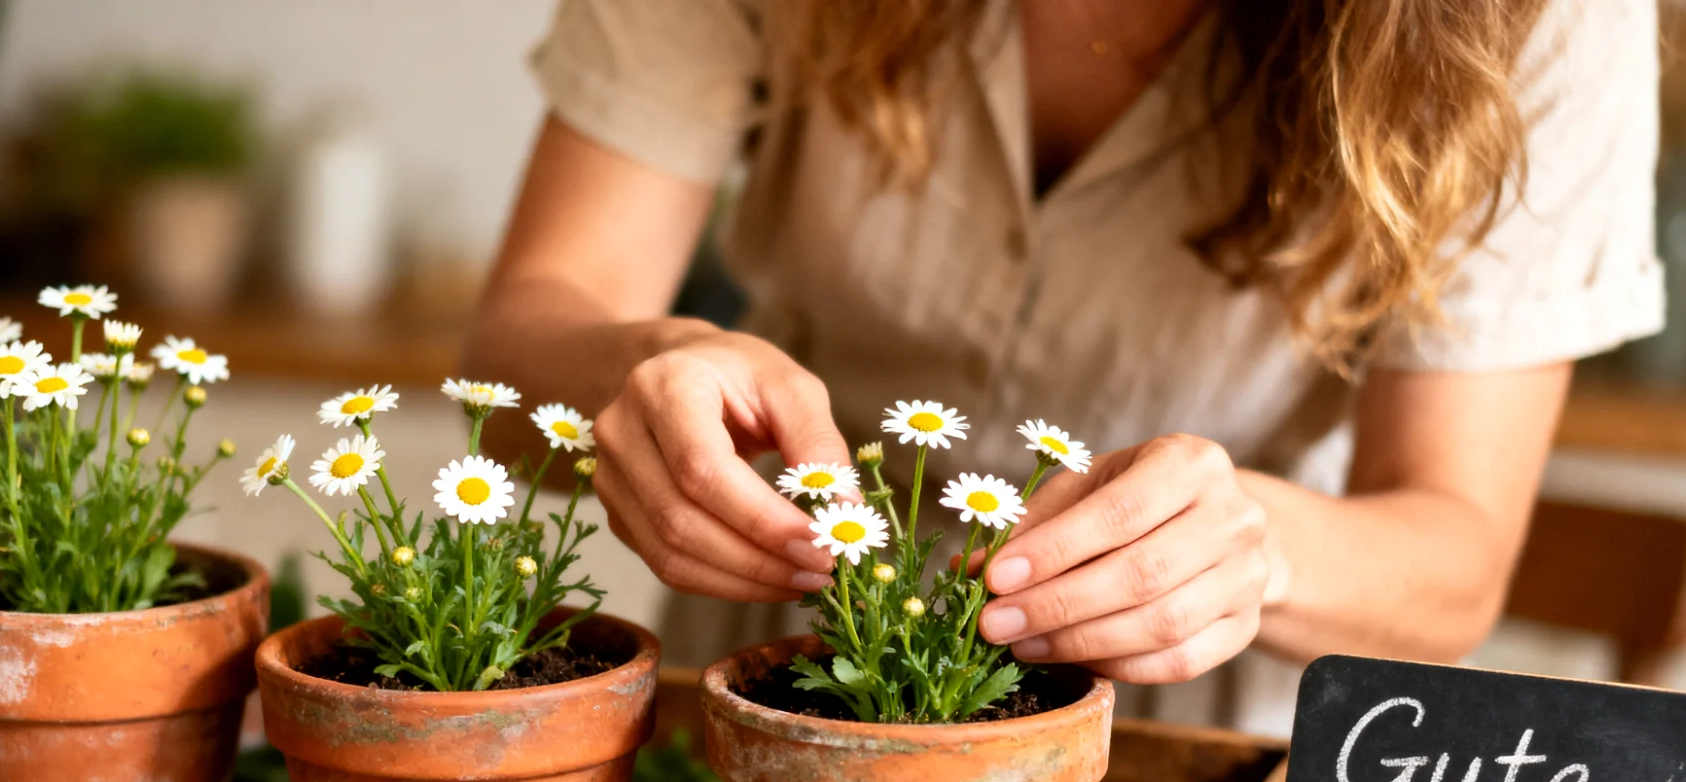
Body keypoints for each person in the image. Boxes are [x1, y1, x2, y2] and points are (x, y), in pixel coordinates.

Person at [465, 0, 1662, 699]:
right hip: (771, 679)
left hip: (1178, 732)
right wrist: (640, 373)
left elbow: (1454, 554)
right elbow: (522, 341)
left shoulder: (1541, 19)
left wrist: (1254, 546)